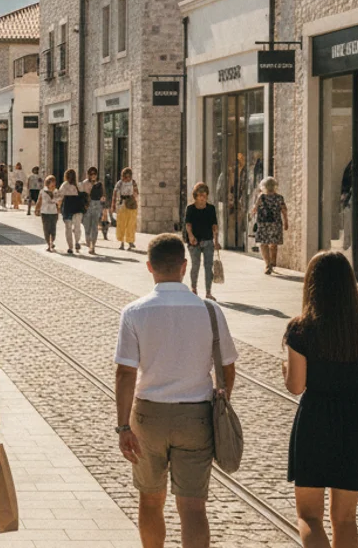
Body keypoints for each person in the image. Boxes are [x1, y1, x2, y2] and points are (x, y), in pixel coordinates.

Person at [114, 234, 237, 548]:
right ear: (184, 266)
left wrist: (124, 425)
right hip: (196, 416)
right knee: (193, 507)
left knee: (150, 501)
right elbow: (227, 369)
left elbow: (125, 373)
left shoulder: (134, 312)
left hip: (149, 415)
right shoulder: (210, 311)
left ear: (149, 267)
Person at [282, 251, 358, 548]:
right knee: (345, 519)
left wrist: (285, 369)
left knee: (308, 517)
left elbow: (296, 385)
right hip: (357, 418)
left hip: (316, 418)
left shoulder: (301, 328)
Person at [184, 182, 220, 300]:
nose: (202, 198)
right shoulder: (190, 209)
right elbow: (188, 225)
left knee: (208, 266)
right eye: (200, 196)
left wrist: (216, 241)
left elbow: (214, 226)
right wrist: (190, 236)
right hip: (194, 242)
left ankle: (208, 292)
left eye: (204, 195)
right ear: (196, 196)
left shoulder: (211, 208)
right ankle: (193, 289)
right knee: (195, 265)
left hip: (208, 240)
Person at [254, 176, 289, 275]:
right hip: (276, 223)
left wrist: (253, 214)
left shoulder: (261, 197)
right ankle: (273, 261)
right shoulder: (279, 198)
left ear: (263, 186)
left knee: (263, 244)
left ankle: (267, 264)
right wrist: (286, 222)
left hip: (263, 223)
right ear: (275, 186)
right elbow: (284, 211)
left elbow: (255, 209)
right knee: (273, 243)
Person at [112, 167, 139, 250]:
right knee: (121, 224)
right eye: (125, 176)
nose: (126, 178)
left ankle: (130, 241)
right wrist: (113, 206)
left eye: (128, 176)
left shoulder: (133, 182)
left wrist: (134, 198)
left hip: (131, 204)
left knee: (131, 224)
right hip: (122, 204)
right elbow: (115, 194)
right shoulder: (119, 183)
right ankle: (122, 242)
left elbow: (136, 193)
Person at [59, 169, 84, 255]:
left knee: (68, 228)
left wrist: (58, 206)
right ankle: (76, 242)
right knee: (77, 227)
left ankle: (70, 247)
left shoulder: (64, 185)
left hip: (68, 207)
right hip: (77, 207)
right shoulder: (79, 185)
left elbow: (60, 196)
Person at [82, 167, 105, 255]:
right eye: (91, 174)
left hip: (97, 206)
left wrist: (103, 208)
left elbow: (102, 196)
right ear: (88, 175)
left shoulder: (99, 184)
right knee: (87, 226)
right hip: (87, 206)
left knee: (94, 227)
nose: (93, 176)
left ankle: (93, 246)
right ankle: (88, 241)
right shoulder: (85, 183)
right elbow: (82, 195)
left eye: (94, 174)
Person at [35, 175, 61, 252]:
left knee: (53, 228)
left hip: (54, 212)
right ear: (47, 183)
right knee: (46, 229)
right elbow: (39, 200)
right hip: (45, 212)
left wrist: (58, 206)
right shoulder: (42, 191)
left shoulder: (56, 191)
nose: (53, 186)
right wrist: (37, 209)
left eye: (54, 184)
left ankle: (52, 241)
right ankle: (48, 244)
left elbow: (59, 202)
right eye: (52, 184)